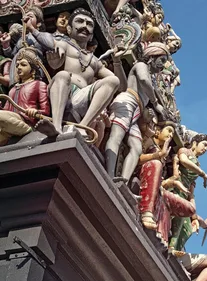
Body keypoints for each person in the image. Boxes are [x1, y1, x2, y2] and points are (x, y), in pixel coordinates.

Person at [35, 8, 123, 139]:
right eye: (80, 22)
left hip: (81, 98)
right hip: (62, 91)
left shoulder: (94, 61)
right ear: (69, 29)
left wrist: (117, 62)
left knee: (113, 80)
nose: (84, 26)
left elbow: (120, 86)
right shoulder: (64, 44)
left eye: (89, 24)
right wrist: (55, 61)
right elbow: (55, 57)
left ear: (92, 35)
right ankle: (56, 126)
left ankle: (83, 125)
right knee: (63, 75)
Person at [105, 41, 168, 182]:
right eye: (162, 60)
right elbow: (144, 80)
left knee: (137, 147)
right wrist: (155, 103)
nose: (162, 66)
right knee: (116, 136)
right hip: (127, 102)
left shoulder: (149, 74)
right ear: (152, 56)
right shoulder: (141, 65)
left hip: (136, 111)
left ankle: (123, 181)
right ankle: (108, 174)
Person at [0, 49, 49, 146]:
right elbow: (6, 111)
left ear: (33, 69)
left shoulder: (39, 84)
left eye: (23, 64)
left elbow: (46, 111)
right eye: (17, 65)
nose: (18, 67)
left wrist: (36, 112)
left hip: (26, 123)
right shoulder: (12, 89)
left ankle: (29, 131)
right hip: (9, 126)